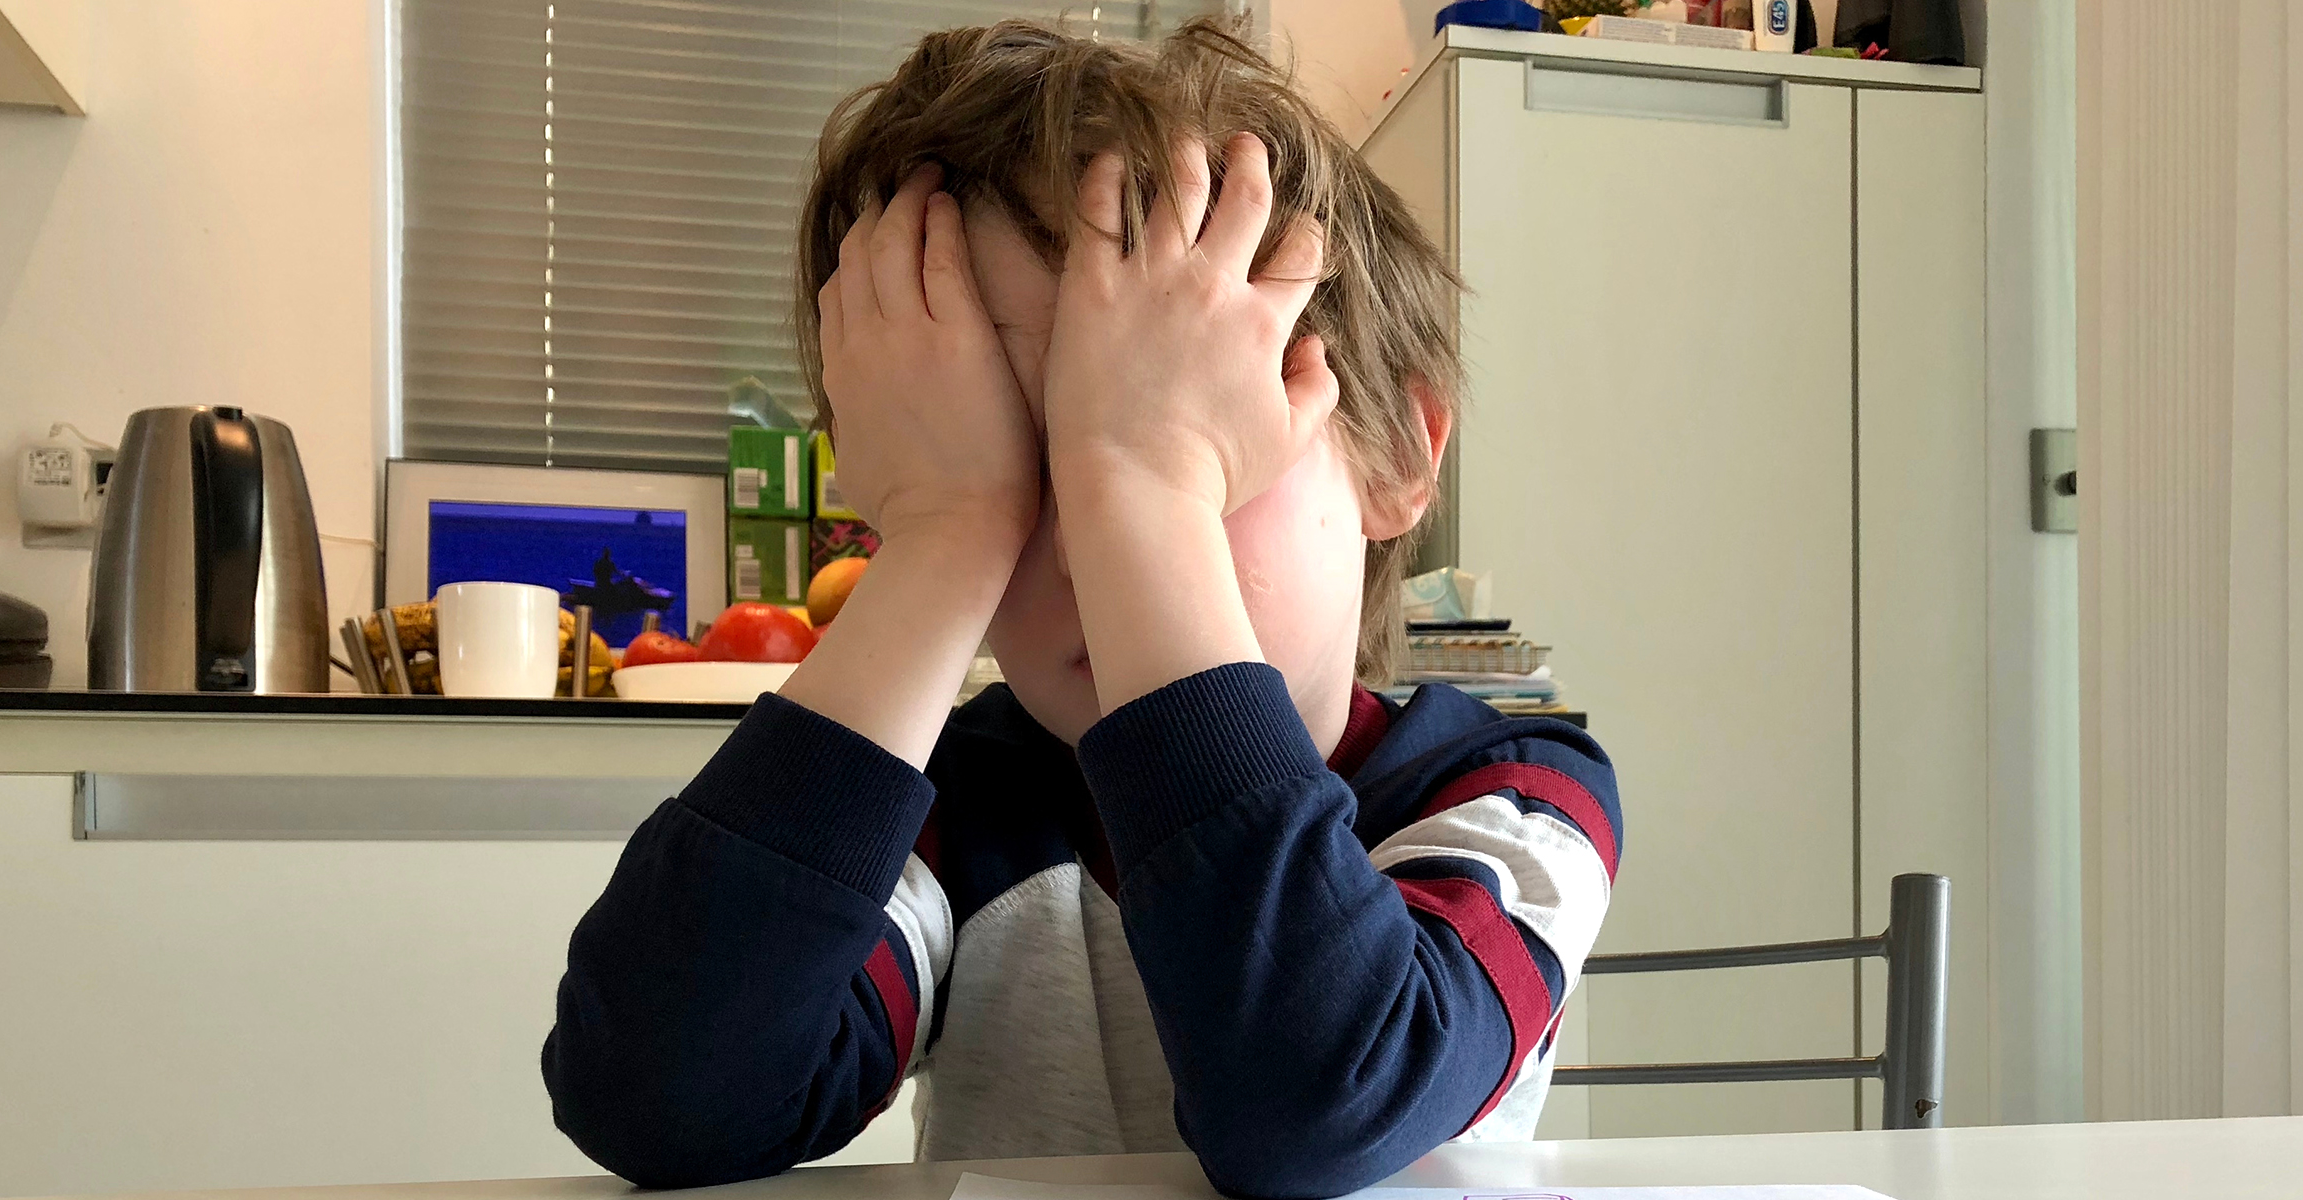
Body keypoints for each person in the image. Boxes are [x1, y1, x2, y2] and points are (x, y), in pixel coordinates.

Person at [541, 17, 1621, 1200]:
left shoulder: (1518, 794)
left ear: (1399, 455)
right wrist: (948, 530)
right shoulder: (963, 809)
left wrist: (1143, 499)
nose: (1091, 535)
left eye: (1181, 438)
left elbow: (1315, 1103)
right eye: (1011, 452)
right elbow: (662, 1099)